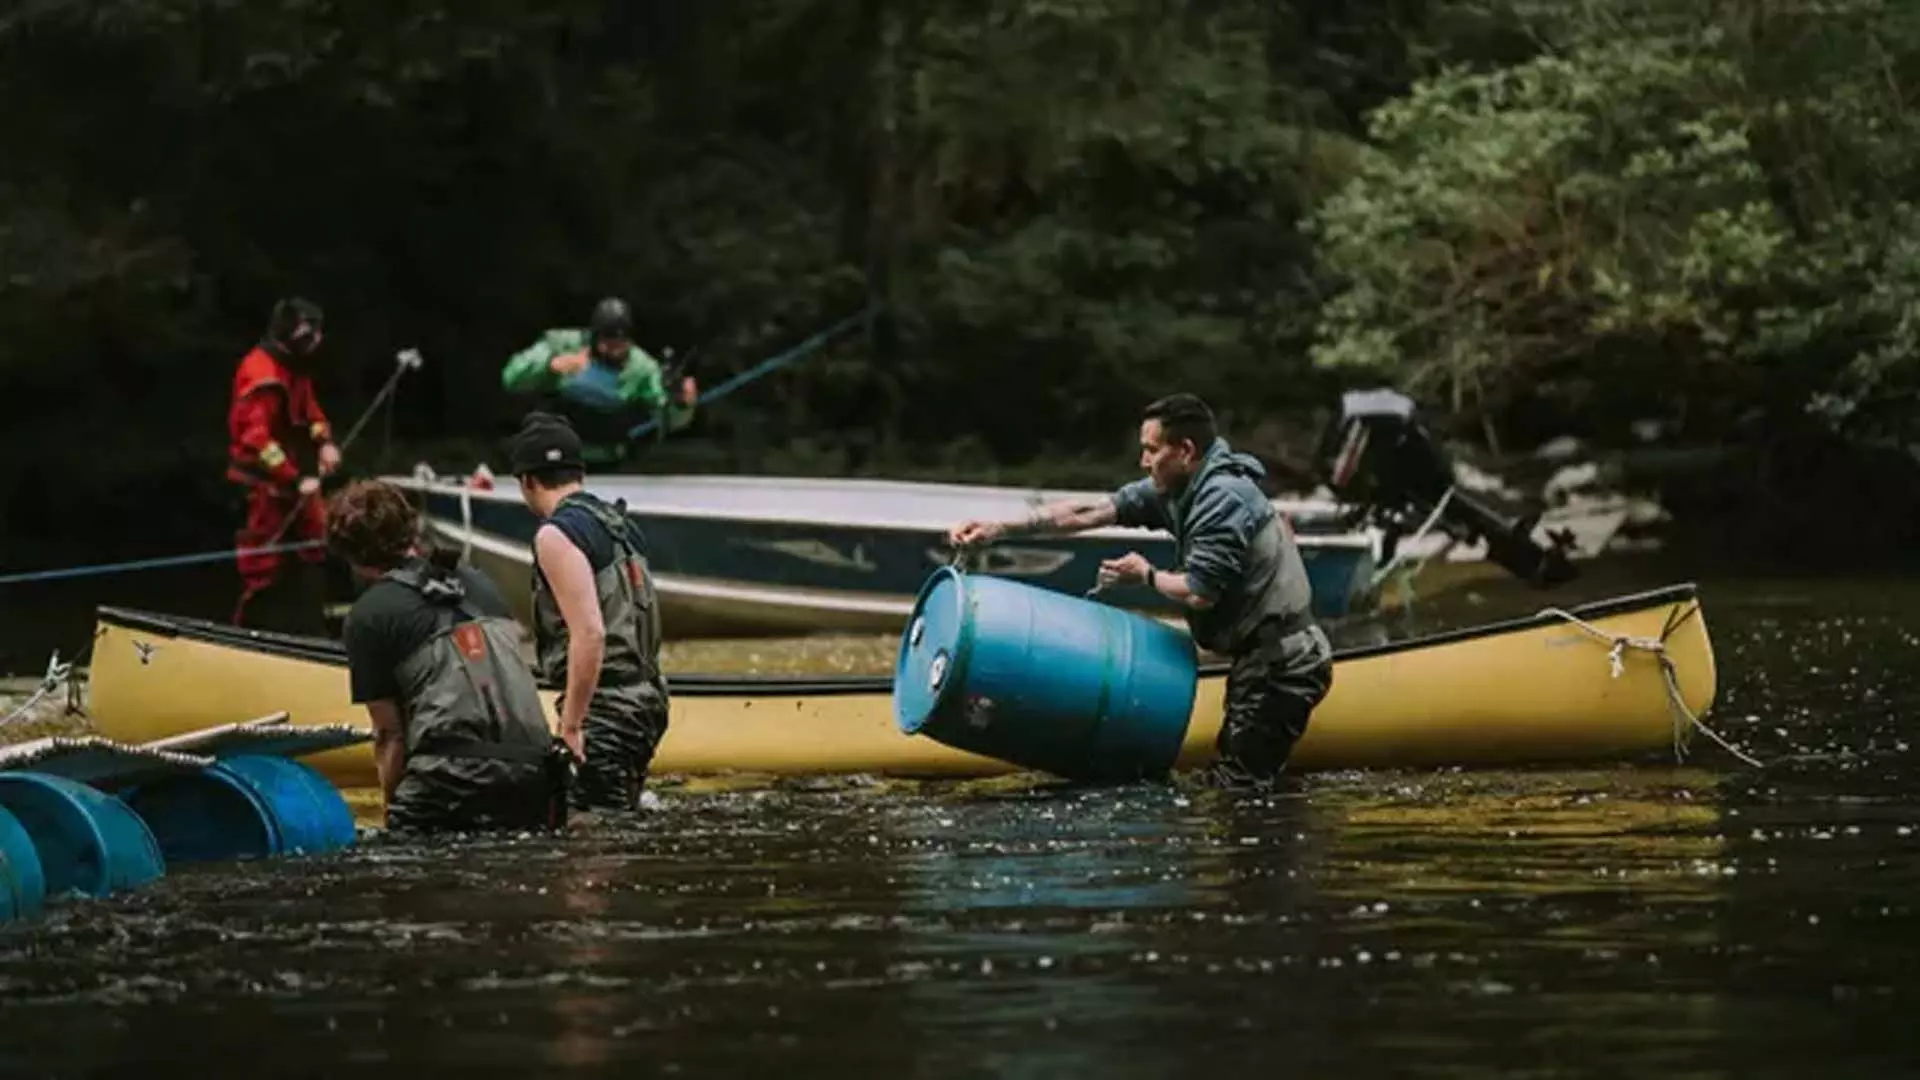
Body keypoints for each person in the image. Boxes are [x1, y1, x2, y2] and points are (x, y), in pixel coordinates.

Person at [948, 392, 1335, 790]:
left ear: (1184, 450)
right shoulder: (1176, 489)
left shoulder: (1223, 499)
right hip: (1259, 660)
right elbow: (1091, 512)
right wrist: (1000, 529)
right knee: (1246, 784)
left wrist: (1145, 575)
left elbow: (1200, 592)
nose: (1143, 462)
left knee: (1237, 790)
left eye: (1151, 450)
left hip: (1282, 663)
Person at [327, 478, 570, 834]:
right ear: (411, 530)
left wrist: (396, 817)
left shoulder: (368, 616)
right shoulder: (479, 582)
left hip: (448, 779)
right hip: (535, 775)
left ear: (349, 555)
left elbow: (389, 736)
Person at [505, 411, 672, 816]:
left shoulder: (556, 534)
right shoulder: (621, 525)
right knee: (617, 827)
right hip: (648, 700)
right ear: (578, 472)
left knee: (589, 843)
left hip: (608, 710)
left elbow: (591, 634)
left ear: (527, 480)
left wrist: (572, 726)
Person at [226, 296, 340, 634]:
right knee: (262, 566)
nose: (317, 342)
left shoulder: (295, 369)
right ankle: (249, 633)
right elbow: (257, 442)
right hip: (263, 485)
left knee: (315, 544)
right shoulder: (261, 375)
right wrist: (293, 479)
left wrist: (324, 442)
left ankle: (316, 625)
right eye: (310, 335)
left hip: (297, 477)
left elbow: (310, 412)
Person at [499, 296, 699, 466]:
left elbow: (665, 417)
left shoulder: (643, 369)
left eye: (621, 344)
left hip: (608, 460)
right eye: (608, 343)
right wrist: (548, 366)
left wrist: (681, 404)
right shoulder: (561, 345)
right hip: (551, 457)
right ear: (593, 337)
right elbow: (511, 377)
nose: (614, 350)